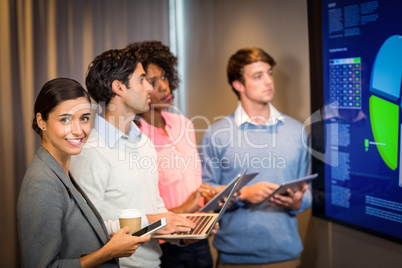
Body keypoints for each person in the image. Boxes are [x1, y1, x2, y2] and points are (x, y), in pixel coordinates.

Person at [69, 49, 198, 268]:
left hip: (153, 263)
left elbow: (155, 207)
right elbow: (85, 227)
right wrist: (154, 221)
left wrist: (182, 232)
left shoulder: (143, 143)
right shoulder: (90, 150)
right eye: (142, 80)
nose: (150, 87)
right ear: (118, 87)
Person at [17, 78, 150, 268]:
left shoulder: (60, 170)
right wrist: (109, 252)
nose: (78, 130)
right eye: (65, 119)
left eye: (84, 118)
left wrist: (106, 240)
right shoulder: (42, 183)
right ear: (41, 121)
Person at [200, 47, 312, 268]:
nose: (268, 81)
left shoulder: (298, 131)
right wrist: (241, 194)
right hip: (233, 258)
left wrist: (298, 201)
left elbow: (306, 189)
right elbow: (206, 195)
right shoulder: (216, 134)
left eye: (269, 73)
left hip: (286, 256)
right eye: (258, 76)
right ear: (238, 85)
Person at [126, 40, 215, 268]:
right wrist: (185, 209)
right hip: (164, 246)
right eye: (153, 82)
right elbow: (142, 211)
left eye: (165, 77)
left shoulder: (184, 125)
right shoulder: (134, 138)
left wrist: (211, 200)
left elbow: (193, 183)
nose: (165, 87)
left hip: (199, 238)